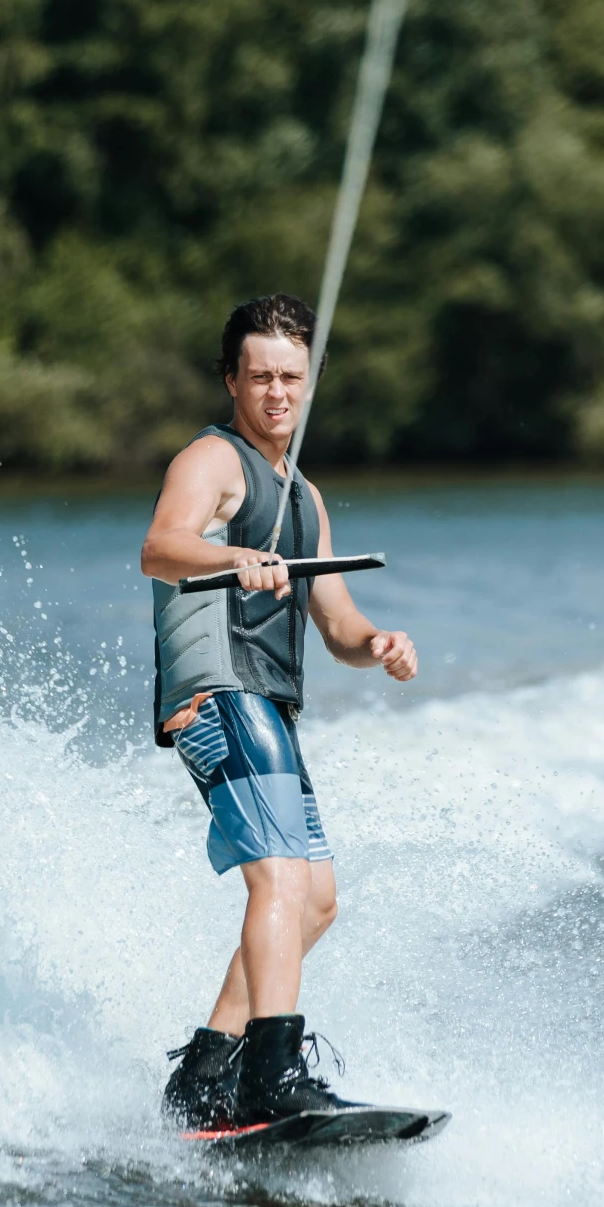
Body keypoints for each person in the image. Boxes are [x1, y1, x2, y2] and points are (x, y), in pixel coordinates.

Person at [139, 294, 418, 1130]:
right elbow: (160, 546)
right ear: (232, 380)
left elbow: (336, 621)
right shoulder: (211, 460)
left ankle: (206, 1070)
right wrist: (237, 556)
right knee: (282, 878)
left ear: (309, 384)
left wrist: (379, 644)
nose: (276, 393)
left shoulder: (307, 498)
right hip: (215, 692)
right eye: (259, 376)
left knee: (317, 899)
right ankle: (273, 1069)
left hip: (269, 702)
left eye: (291, 377)